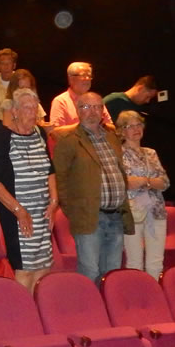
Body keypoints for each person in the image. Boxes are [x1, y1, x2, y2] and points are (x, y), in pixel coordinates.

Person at [51, 92, 133, 284]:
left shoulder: (112, 137)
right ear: (78, 110)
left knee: (112, 273)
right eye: (87, 107)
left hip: (116, 215)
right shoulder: (68, 140)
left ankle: (109, 303)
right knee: (89, 270)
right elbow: (59, 179)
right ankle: (88, 303)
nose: (92, 111)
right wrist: (74, 211)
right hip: (88, 216)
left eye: (97, 107)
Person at [0, 88, 58, 292]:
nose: (32, 112)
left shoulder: (39, 134)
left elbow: (50, 170)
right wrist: (19, 211)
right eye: (27, 108)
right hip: (17, 213)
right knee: (25, 269)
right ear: (15, 111)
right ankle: (22, 308)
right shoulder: (2, 138)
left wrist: (54, 203)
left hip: (42, 213)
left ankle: (37, 307)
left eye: (35, 108)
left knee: (43, 267)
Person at [116, 110, 169, 279]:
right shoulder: (118, 154)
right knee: (134, 262)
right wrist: (151, 181)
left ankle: (154, 292)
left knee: (156, 262)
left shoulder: (150, 153)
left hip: (156, 211)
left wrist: (143, 181)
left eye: (138, 124)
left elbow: (165, 182)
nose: (136, 129)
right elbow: (125, 183)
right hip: (132, 212)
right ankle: (137, 292)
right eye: (130, 126)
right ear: (121, 131)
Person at [49, 62, 109, 127]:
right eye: (83, 75)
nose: (87, 79)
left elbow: (109, 126)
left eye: (89, 76)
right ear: (70, 79)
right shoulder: (60, 101)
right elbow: (57, 130)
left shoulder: (96, 100)